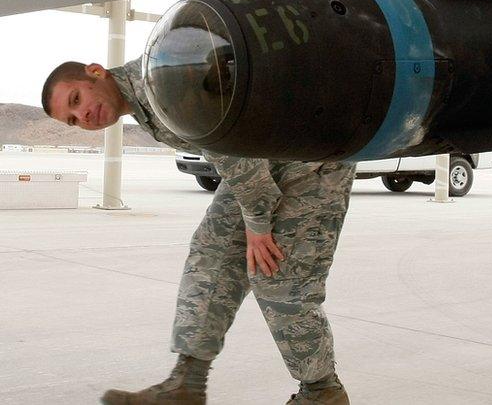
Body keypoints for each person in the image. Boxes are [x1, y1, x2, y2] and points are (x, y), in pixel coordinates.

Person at [41, 59, 355, 405]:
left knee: (278, 276)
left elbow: (235, 153)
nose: (82, 116)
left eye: (75, 100)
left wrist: (258, 225)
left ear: (95, 72)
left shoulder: (163, 83)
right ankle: (186, 384)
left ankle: (322, 392)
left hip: (313, 149)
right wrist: (254, 219)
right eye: (72, 119)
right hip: (266, 157)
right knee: (212, 251)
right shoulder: (145, 101)